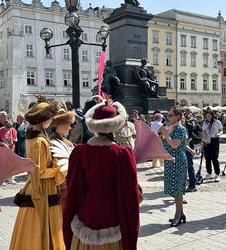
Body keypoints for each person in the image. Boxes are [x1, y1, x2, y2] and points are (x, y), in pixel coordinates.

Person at [63, 101, 140, 250]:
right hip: (113, 214)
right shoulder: (122, 154)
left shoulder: (80, 152)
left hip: (87, 213)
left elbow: (73, 190)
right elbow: (130, 195)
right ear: (116, 124)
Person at [10, 101, 65, 250]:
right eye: (50, 118)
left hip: (38, 186)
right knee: (43, 227)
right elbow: (38, 171)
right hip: (42, 188)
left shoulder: (34, 137)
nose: (51, 120)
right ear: (43, 120)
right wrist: (59, 168)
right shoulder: (40, 141)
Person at [159, 107, 187, 227]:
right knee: (174, 189)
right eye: (168, 115)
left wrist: (165, 134)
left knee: (178, 190)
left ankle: (178, 215)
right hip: (170, 161)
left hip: (178, 161)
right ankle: (181, 213)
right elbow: (164, 144)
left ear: (177, 117)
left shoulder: (181, 129)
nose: (168, 117)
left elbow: (175, 145)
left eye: (170, 115)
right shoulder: (170, 128)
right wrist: (161, 136)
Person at [49, 109, 75, 214]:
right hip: (60, 189)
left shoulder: (67, 142)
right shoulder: (52, 143)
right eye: (68, 125)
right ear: (61, 126)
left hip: (68, 187)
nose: (70, 128)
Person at [0, 118, 18, 184]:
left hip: (11, 150)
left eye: (10, 127)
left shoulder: (13, 130)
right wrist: (3, 143)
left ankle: (10, 178)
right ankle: (2, 180)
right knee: (2, 165)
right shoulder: (0, 130)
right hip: (2, 150)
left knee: (11, 164)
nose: (8, 129)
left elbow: (16, 138)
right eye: (7, 127)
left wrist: (14, 140)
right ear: (4, 125)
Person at [202, 109, 223, 182]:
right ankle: (209, 172)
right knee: (207, 158)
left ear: (212, 115)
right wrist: (205, 139)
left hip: (214, 140)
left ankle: (217, 174)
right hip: (207, 140)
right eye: (207, 116)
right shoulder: (205, 123)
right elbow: (204, 131)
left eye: (209, 115)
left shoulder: (217, 122)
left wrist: (218, 134)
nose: (208, 117)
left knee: (214, 158)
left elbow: (221, 130)